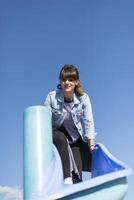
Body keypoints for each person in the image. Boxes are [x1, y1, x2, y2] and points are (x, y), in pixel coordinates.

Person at [44, 64, 96, 184]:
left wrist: (91, 143)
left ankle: (75, 187)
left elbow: (89, 121)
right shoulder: (52, 97)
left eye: (71, 80)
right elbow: (45, 121)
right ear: (60, 82)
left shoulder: (84, 98)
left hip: (75, 138)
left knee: (78, 175)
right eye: (64, 80)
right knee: (61, 137)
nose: (67, 82)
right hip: (56, 134)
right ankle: (66, 179)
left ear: (76, 82)